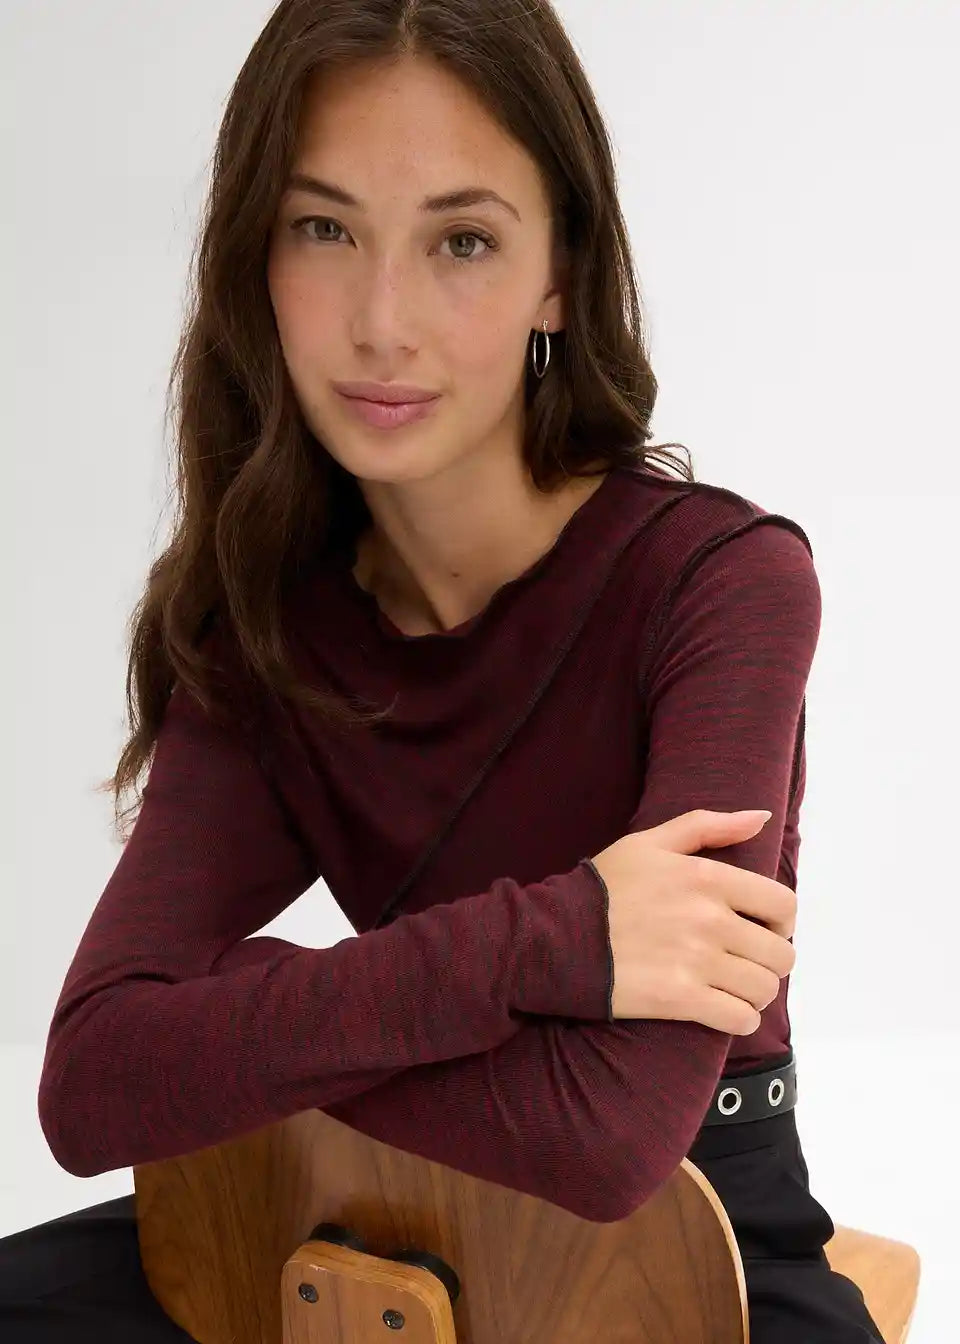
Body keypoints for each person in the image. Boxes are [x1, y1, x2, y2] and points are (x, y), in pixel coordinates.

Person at [1, 2, 885, 1340]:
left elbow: (610, 1140)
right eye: (324, 229)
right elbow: (93, 1085)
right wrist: (564, 936)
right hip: (361, 1199)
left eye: (461, 241)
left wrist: (238, 1022)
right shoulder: (272, 630)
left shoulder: (721, 582)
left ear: (559, 275)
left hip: (695, 1220)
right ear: (255, 257)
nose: (382, 322)